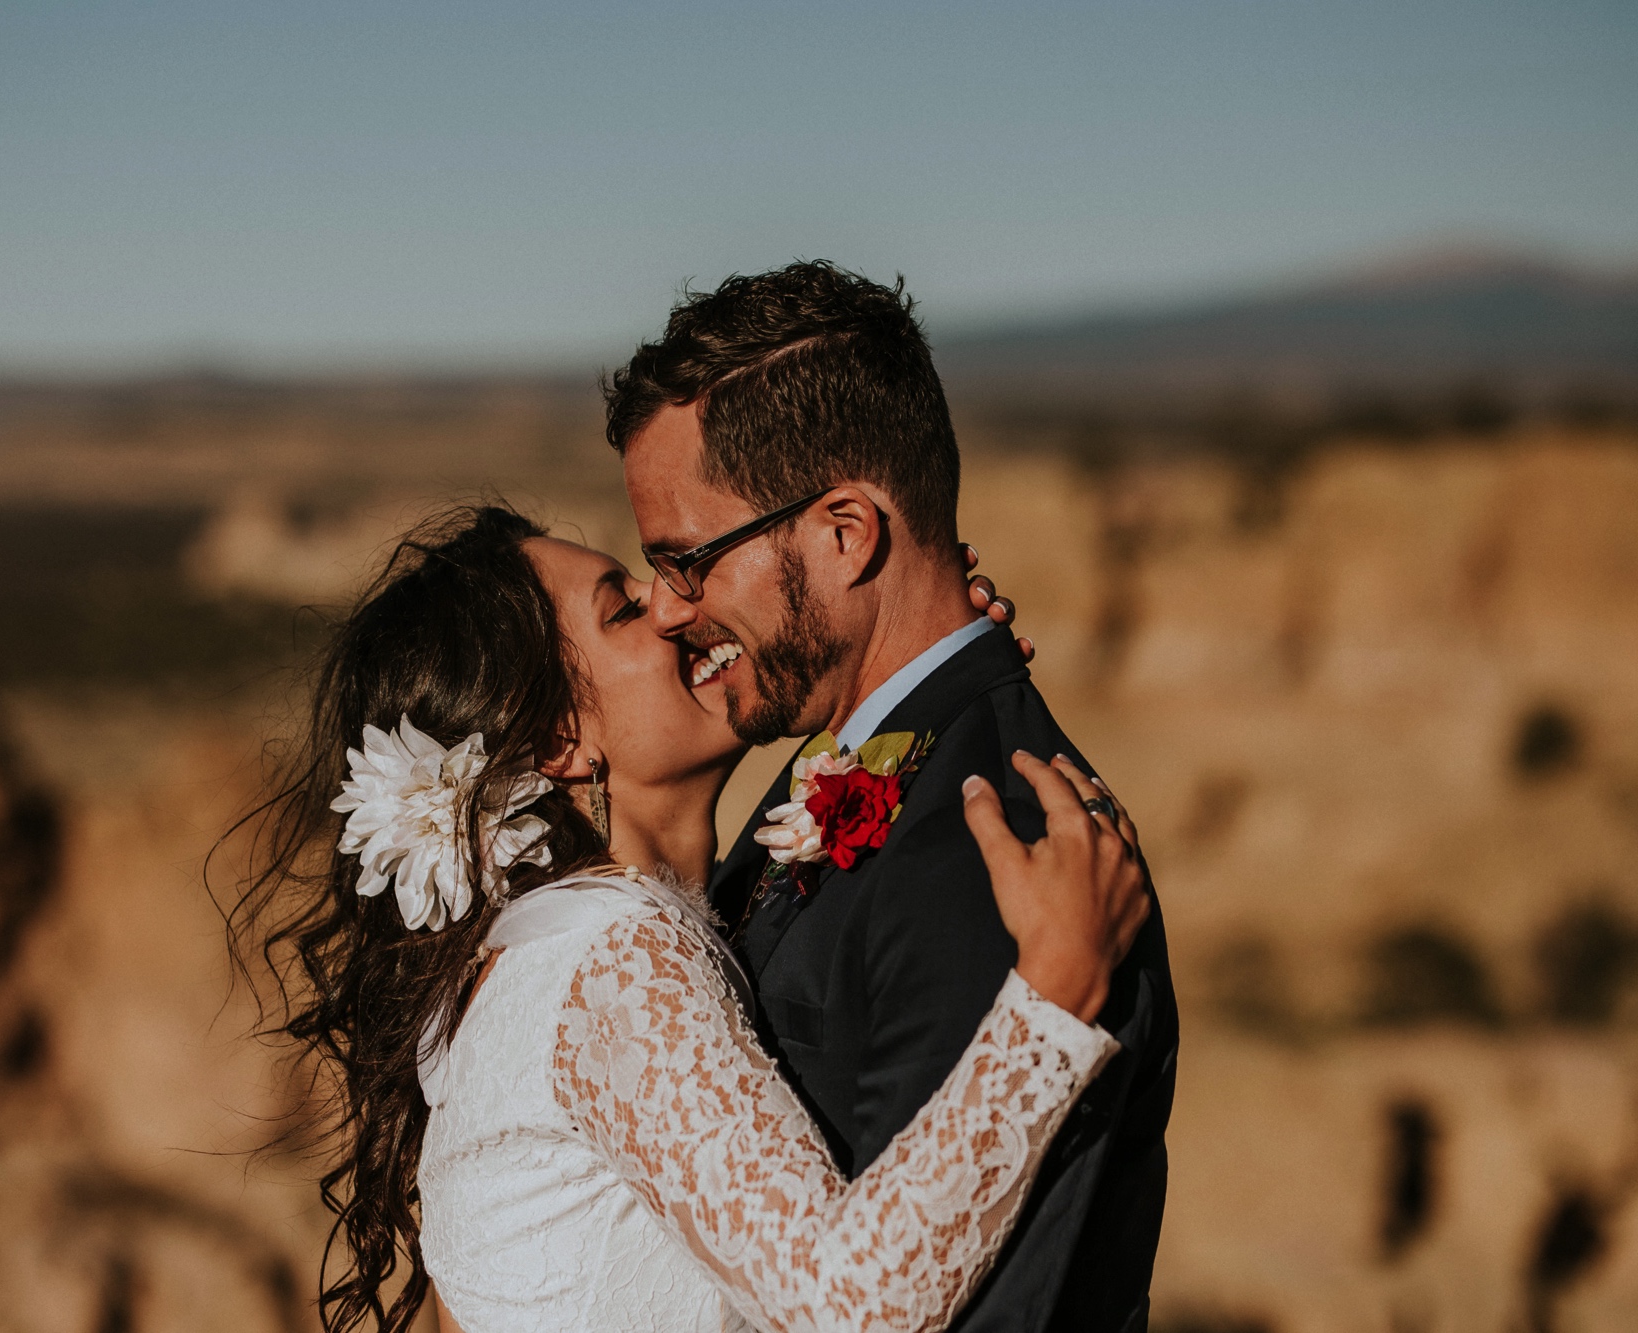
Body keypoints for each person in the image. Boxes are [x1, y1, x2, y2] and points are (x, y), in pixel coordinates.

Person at [236, 504, 1149, 1333]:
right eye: (624, 610)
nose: (676, 605)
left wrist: (914, 654)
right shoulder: (612, 960)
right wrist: (1055, 996)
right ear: (562, 739)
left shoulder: (552, 949)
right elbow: (850, 1304)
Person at [608, 261, 1180, 1331]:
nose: (662, 608)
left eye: (684, 560)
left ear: (845, 533)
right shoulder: (872, 750)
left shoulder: (995, 856)